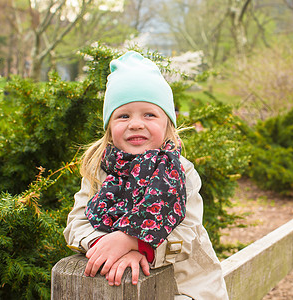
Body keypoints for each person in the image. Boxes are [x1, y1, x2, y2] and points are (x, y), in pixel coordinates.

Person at [63, 51, 229, 299]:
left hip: (186, 288)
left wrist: (135, 243)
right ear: (110, 127)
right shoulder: (99, 170)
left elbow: (187, 233)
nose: (136, 124)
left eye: (149, 114)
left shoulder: (181, 172)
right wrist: (104, 244)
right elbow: (77, 223)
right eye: (123, 116)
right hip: (117, 285)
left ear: (167, 124)